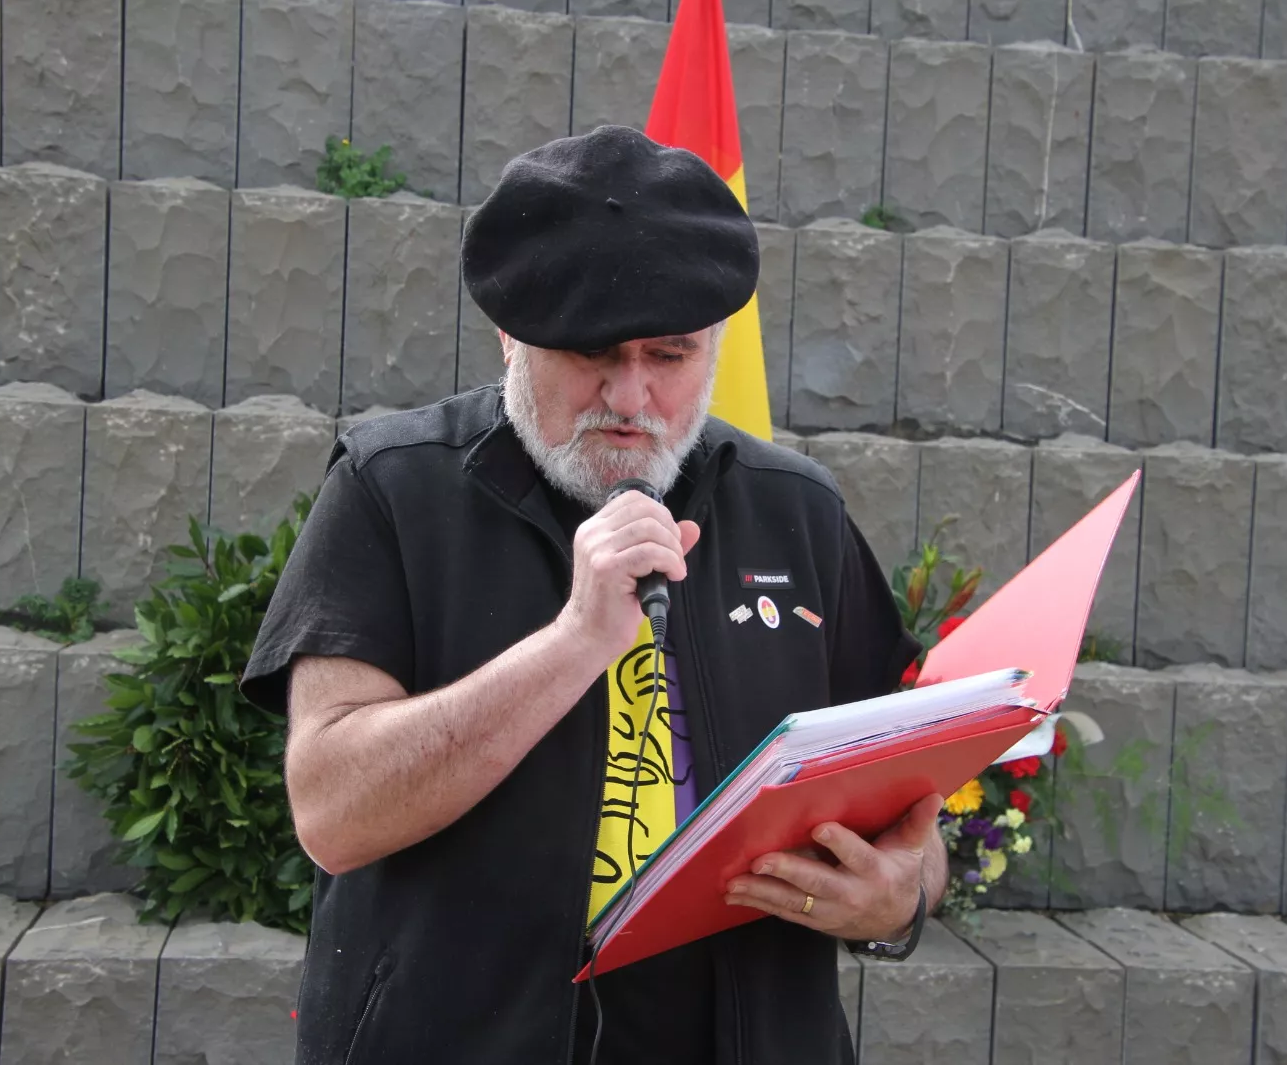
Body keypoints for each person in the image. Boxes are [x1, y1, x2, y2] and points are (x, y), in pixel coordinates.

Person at [240, 125, 948, 1065]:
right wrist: (574, 642)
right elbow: (333, 812)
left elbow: (906, 806)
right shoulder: (391, 489)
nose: (631, 397)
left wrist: (900, 901)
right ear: (510, 336)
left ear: (715, 345)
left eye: (671, 355)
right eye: (593, 354)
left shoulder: (795, 507)